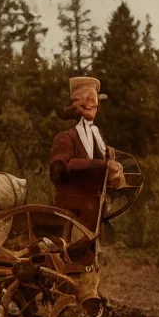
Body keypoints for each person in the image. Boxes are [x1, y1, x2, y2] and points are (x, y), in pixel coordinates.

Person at [49, 77, 124, 253]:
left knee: (90, 264)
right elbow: (59, 169)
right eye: (85, 102)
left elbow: (100, 169)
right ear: (75, 105)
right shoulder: (65, 137)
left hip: (94, 214)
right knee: (74, 261)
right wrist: (103, 165)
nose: (92, 106)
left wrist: (114, 175)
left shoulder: (96, 138)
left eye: (95, 102)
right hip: (73, 216)